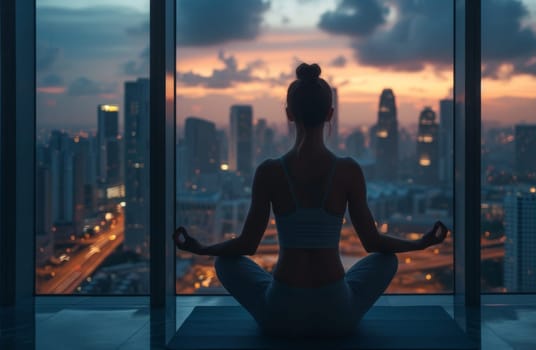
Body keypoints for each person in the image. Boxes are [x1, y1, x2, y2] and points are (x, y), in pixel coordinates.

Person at [173, 63, 449, 337]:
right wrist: (420, 243)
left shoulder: (269, 171)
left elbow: (247, 245)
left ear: (289, 115)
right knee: (387, 261)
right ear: (330, 114)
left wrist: (201, 248)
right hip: (337, 312)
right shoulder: (348, 170)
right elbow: (373, 243)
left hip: (280, 312)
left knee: (224, 262)